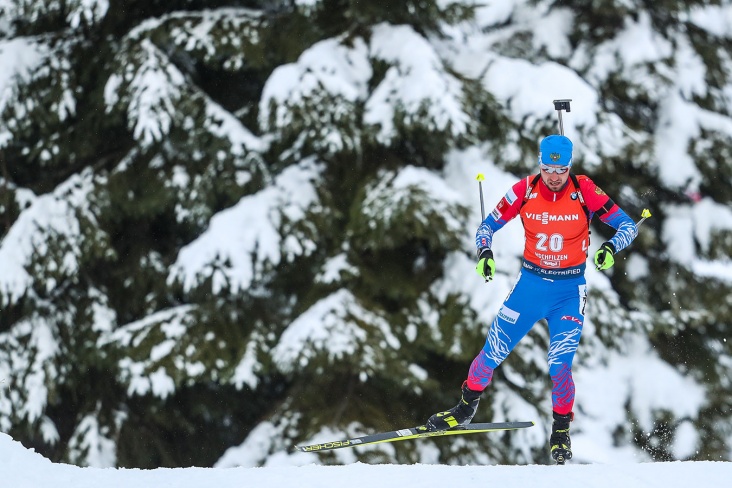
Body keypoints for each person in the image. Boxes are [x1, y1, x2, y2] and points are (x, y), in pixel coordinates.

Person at [425, 134, 638, 464]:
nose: (554, 176)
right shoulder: (524, 190)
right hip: (530, 286)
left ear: (570, 168)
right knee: (491, 351)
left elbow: (627, 225)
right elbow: (487, 225)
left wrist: (611, 248)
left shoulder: (585, 191)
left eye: (561, 170)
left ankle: (561, 432)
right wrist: (484, 251)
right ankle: (464, 409)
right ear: (540, 164)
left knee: (559, 365)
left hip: (568, 292)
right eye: (548, 168)